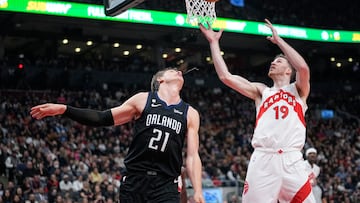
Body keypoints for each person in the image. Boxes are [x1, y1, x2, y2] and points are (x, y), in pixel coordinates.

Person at [30, 67, 205, 203]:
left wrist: (197, 190)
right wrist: (64, 109)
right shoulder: (143, 99)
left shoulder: (190, 113)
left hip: (166, 184)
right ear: (161, 79)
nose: (179, 71)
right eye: (173, 71)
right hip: (136, 180)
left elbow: (192, 156)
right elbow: (101, 117)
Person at [200, 19, 316, 202]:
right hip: (263, 160)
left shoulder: (299, 90)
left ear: (288, 71)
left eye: (278, 61)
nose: (273, 63)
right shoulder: (262, 91)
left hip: (291, 159)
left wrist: (279, 42)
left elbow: (302, 67)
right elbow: (225, 76)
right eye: (273, 61)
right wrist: (213, 43)